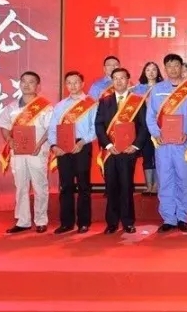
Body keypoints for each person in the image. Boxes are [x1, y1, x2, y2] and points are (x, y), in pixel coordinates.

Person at [0, 71, 53, 234]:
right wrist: (9, 139)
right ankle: (23, 221)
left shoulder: (45, 107)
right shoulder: (11, 107)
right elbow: (4, 125)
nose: (27, 85)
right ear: (20, 84)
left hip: (37, 152)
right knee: (21, 186)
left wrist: (39, 145)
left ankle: (41, 220)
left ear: (38, 86)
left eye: (31, 82)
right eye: (23, 81)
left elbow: (50, 129)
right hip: (18, 152)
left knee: (40, 186)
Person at [146, 54, 187, 233]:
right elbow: (150, 116)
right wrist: (156, 133)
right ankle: (168, 218)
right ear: (165, 68)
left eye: (176, 66)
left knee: (183, 180)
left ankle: (182, 217)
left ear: (182, 67)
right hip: (163, 144)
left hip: (183, 143)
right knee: (165, 180)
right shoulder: (157, 89)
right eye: (169, 66)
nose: (173, 69)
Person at [94, 68, 148, 234]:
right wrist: (108, 145)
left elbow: (143, 126)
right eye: (115, 78)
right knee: (111, 187)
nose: (118, 81)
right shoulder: (105, 101)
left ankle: (127, 222)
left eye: (122, 78)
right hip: (110, 152)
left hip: (128, 151)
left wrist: (136, 146)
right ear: (112, 81)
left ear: (128, 80)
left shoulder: (137, 101)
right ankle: (112, 223)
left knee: (126, 186)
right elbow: (99, 125)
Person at [47, 71, 98, 234]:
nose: (73, 85)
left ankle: (84, 222)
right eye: (69, 82)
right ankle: (66, 223)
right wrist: (54, 146)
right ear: (66, 85)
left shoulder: (91, 103)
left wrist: (83, 142)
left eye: (76, 82)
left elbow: (95, 128)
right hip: (62, 147)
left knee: (83, 185)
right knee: (66, 185)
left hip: (82, 145)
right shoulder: (60, 106)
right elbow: (52, 129)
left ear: (82, 84)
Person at [133, 61, 163, 196]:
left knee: (158, 156)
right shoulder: (137, 89)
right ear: (144, 72)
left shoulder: (163, 88)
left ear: (158, 72)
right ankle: (148, 185)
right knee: (147, 156)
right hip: (143, 127)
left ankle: (157, 185)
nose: (151, 72)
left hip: (159, 126)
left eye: (154, 70)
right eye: (148, 70)